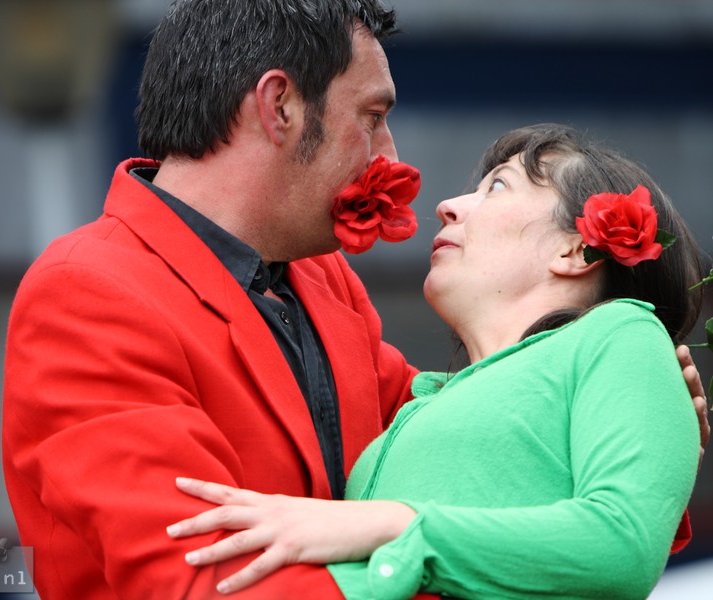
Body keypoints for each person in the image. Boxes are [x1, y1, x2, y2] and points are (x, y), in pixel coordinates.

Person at [1, 0, 709, 597]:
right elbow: (201, 578)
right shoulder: (90, 291)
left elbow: (456, 441)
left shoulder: (321, 279)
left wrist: (631, 438)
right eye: (372, 116)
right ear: (279, 106)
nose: (392, 157)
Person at [167, 123, 710, 599]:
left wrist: (391, 525)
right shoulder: (421, 399)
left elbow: (621, 545)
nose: (449, 205)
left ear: (572, 250)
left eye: (497, 186)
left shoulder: (621, 333)